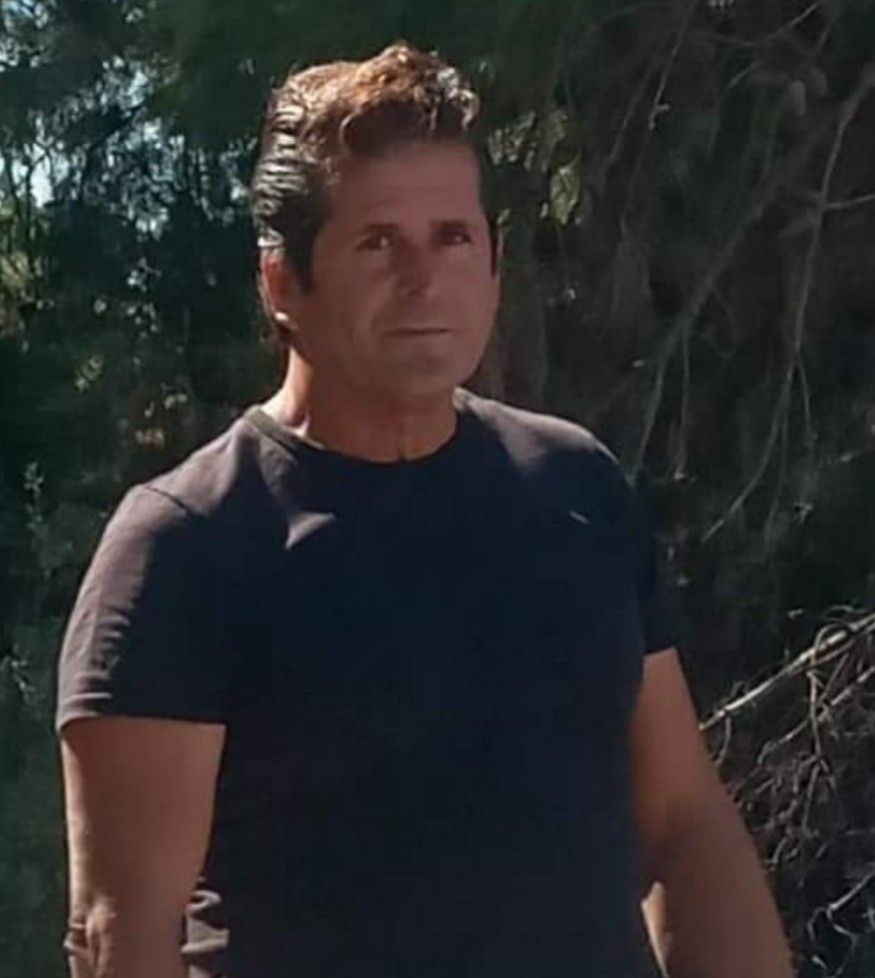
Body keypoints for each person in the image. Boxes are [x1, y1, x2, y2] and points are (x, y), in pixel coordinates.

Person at [56, 41, 793, 978]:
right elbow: (121, 930)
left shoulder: (573, 488)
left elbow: (683, 824)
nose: (424, 279)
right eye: (377, 243)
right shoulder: (188, 546)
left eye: (452, 237)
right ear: (282, 283)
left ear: (493, 261)